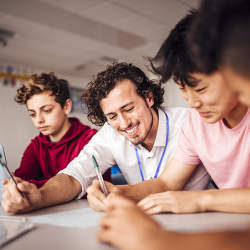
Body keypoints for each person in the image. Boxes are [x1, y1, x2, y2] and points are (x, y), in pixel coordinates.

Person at [98, 1, 250, 249]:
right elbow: (168, 183)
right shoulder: (196, 123)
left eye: (200, 88)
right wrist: (120, 192)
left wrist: (201, 201)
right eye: (182, 90)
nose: (192, 102)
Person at [1, 63, 209, 214]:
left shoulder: (189, 123)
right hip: (143, 224)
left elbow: (166, 184)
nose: (124, 123)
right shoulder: (111, 132)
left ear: (149, 97)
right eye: (112, 116)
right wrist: (40, 197)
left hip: (197, 223)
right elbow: (74, 176)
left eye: (128, 109)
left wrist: (118, 192)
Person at [1, 72, 111, 209]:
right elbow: (24, 177)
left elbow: (90, 187)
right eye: (32, 114)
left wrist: (34, 188)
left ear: (66, 107)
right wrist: (16, 184)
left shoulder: (91, 139)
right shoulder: (36, 145)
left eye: (46, 110)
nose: (39, 119)